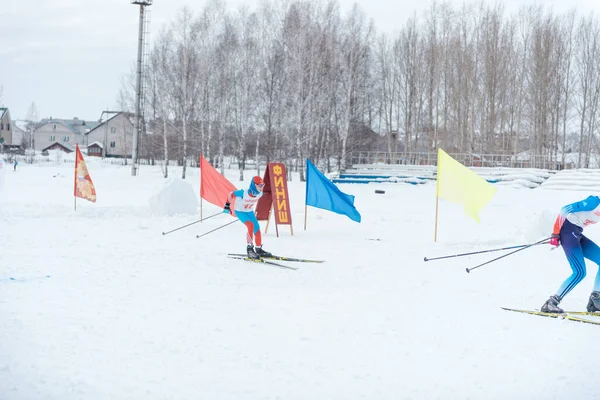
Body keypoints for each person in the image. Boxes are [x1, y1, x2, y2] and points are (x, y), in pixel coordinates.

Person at [541, 195, 600, 313]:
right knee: (579, 272)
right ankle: (551, 303)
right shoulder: (594, 202)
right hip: (567, 232)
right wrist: (555, 233)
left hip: (577, 232)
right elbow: (565, 209)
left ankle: (596, 299)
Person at [223, 176, 272, 259]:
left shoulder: (260, 193)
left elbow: (267, 192)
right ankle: (249, 249)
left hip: (249, 211)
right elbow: (231, 194)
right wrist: (227, 206)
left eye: (262, 185)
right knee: (250, 225)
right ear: (254, 185)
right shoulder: (243, 193)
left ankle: (258, 249)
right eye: (260, 186)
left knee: (257, 228)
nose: (262, 187)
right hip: (240, 211)